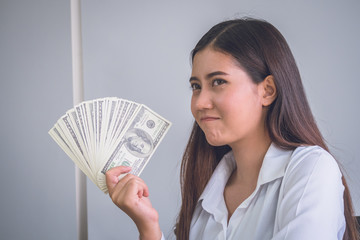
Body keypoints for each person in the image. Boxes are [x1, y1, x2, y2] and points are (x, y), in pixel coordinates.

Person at [105, 18, 359, 240]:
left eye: (218, 82)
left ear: (267, 91)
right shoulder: (206, 193)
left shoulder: (311, 169)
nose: (200, 103)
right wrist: (148, 227)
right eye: (196, 86)